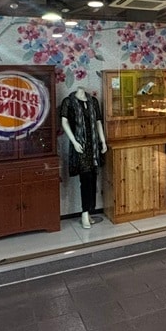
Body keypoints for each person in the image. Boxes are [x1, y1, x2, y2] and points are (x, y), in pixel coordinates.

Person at [60, 87, 108, 229]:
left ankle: (90, 210)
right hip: (80, 146)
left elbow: (98, 122)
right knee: (85, 179)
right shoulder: (68, 102)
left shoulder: (93, 101)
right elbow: (64, 122)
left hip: (93, 146)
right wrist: (74, 142)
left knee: (93, 178)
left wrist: (103, 141)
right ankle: (84, 213)